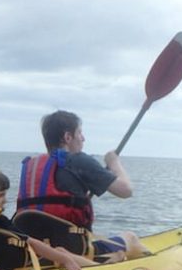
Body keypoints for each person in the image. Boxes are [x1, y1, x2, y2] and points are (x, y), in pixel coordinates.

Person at [16, 110, 148, 260]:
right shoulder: (78, 160)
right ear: (67, 137)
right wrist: (113, 162)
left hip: (34, 252)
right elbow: (126, 190)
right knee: (130, 237)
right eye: (79, 133)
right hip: (74, 250)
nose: (83, 138)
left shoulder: (30, 167)